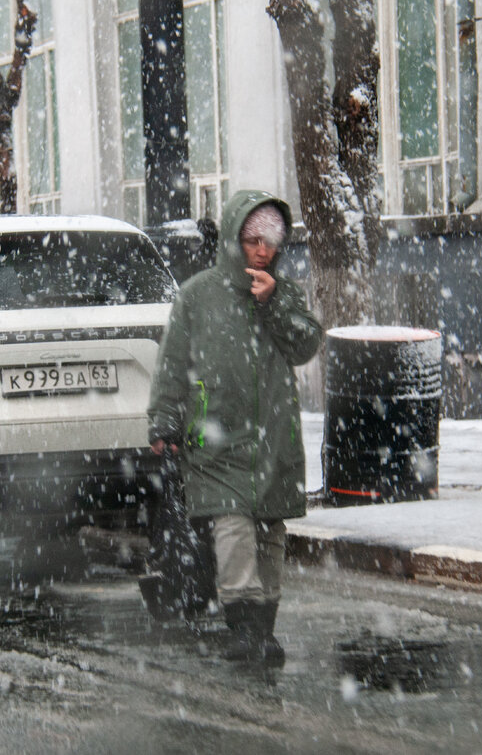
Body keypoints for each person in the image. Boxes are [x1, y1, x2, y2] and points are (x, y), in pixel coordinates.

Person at [147, 190, 323, 665]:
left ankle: (263, 628)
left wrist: (273, 305)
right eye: (252, 240)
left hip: (273, 436)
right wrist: (164, 418)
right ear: (233, 238)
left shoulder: (285, 293)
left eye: (271, 240)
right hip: (215, 437)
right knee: (233, 530)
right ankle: (242, 627)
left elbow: (306, 345)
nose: (263, 250)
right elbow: (172, 364)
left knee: (269, 534)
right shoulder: (197, 296)